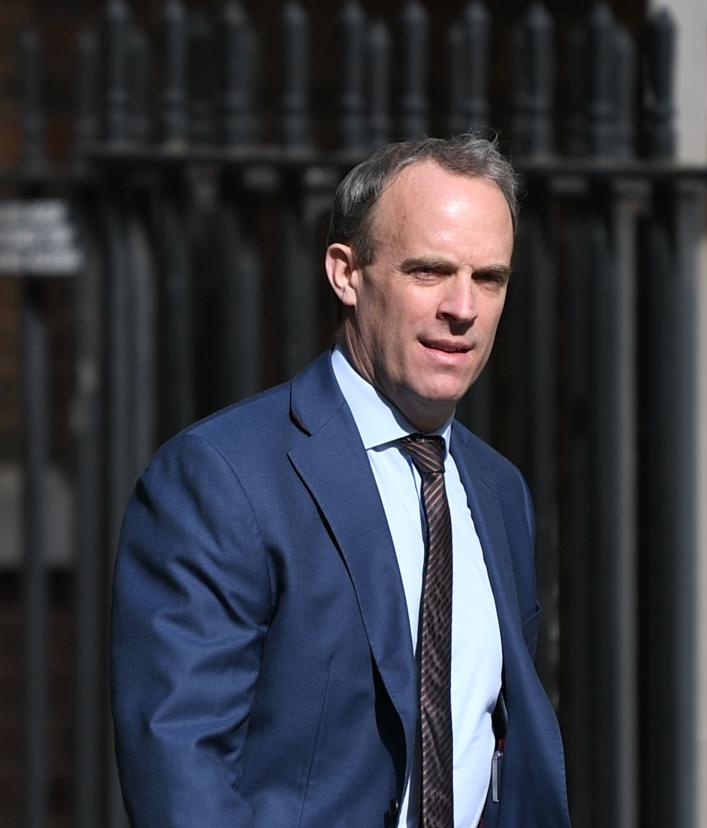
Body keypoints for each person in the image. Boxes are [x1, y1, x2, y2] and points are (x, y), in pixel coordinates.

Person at [111, 136, 570, 827]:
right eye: (428, 271)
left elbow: (495, 745)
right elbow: (180, 768)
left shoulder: (499, 491)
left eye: (489, 278)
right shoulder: (222, 476)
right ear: (346, 273)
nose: (463, 308)